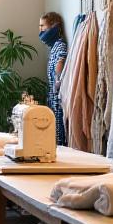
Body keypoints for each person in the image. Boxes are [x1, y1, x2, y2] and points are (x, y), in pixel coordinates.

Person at [39, 12, 67, 146]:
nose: (40, 30)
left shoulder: (60, 45)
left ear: (54, 26)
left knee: (59, 134)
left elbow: (60, 62)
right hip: (53, 96)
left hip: (58, 97)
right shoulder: (53, 47)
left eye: (42, 26)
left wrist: (57, 81)